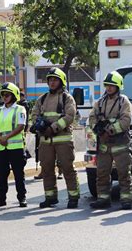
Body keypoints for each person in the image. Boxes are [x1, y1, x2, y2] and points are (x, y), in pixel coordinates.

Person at [31, 67, 79, 208]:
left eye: (55, 80)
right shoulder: (42, 99)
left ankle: (73, 197)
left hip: (63, 139)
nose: (52, 83)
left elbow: (69, 116)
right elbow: (34, 114)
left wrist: (53, 128)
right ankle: (50, 197)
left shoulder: (67, 98)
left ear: (61, 81)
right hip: (45, 141)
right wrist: (39, 126)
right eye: (50, 80)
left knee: (67, 168)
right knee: (47, 169)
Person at [88, 71, 132, 210]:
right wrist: (98, 129)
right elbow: (92, 118)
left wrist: (110, 130)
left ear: (118, 86)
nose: (109, 88)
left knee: (123, 173)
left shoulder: (123, 102)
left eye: (112, 86)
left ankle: (125, 200)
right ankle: (103, 199)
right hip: (104, 146)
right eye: (107, 85)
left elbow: (126, 120)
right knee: (102, 173)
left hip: (120, 144)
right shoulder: (100, 102)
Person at [0, 82, 28, 208]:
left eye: (8, 95)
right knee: (1, 175)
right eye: (3, 95)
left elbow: (21, 126)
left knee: (18, 174)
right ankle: (1, 198)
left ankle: (22, 198)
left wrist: (6, 137)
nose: (5, 97)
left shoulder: (20, 109)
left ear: (14, 95)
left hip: (15, 147)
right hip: (0, 147)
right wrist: (0, 138)